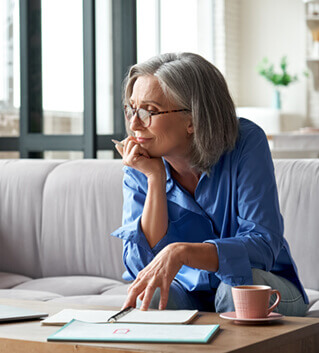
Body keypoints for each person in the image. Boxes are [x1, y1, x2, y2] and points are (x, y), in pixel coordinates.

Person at [110, 52, 309, 316]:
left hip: (264, 285)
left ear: (192, 119)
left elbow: (263, 245)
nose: (135, 124)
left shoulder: (246, 142)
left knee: (234, 289)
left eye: (149, 111)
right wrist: (155, 179)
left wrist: (183, 252)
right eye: (131, 109)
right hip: (188, 291)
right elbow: (141, 267)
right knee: (153, 296)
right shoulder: (141, 161)